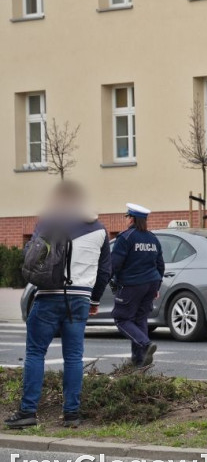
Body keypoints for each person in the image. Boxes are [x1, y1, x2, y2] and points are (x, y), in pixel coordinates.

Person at [5, 181, 111, 430]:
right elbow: (105, 270)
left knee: (35, 352)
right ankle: (71, 414)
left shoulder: (50, 221)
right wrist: (94, 300)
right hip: (80, 299)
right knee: (73, 357)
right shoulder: (100, 229)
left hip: (48, 296)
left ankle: (28, 411)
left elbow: (30, 256)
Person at [110, 203, 164, 369]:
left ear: (132, 219)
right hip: (151, 283)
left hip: (132, 284)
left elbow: (114, 265)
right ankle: (139, 360)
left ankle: (145, 344)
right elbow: (160, 265)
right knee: (140, 319)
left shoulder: (125, 237)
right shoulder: (153, 238)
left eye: (127, 216)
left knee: (121, 319)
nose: (126, 219)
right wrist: (156, 287)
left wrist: (104, 281)